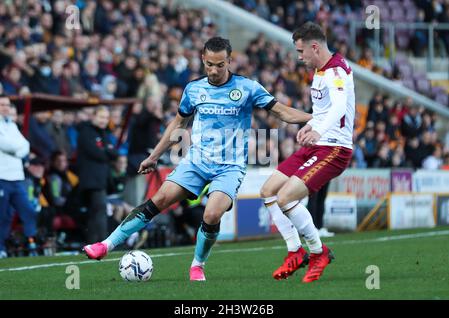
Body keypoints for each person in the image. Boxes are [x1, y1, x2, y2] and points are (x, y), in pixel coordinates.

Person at [83, 37, 312, 281]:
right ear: (203, 59)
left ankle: (197, 264)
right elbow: (179, 124)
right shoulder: (194, 89)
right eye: (209, 64)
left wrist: (317, 119)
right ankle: (106, 245)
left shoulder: (247, 88)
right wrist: (154, 156)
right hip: (196, 162)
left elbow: (283, 112)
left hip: (230, 167)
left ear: (229, 61)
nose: (214, 70)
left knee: (212, 214)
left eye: (220, 65)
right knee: (159, 199)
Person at [260, 22, 354, 283]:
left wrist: (319, 130)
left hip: (335, 148)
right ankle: (295, 251)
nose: (299, 57)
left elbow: (338, 109)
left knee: (286, 197)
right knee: (268, 191)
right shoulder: (320, 71)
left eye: (301, 52)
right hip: (318, 144)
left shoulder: (336, 70)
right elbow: (324, 111)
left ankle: (318, 252)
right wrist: (310, 125)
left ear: (315, 47)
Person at [0, 95, 38, 258]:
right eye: (2, 105)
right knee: (3, 215)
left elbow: (25, 146)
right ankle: (1, 248)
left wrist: (16, 149)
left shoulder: (11, 125)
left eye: (7, 105)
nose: (5, 107)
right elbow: (5, 144)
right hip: (2, 177)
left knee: (28, 210)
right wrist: (17, 149)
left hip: (16, 177)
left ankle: (31, 242)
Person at [77, 106, 118, 244]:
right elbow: (96, 153)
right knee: (99, 210)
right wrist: (107, 151)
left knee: (97, 211)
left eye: (106, 118)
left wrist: (106, 151)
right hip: (91, 180)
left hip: (100, 180)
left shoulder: (103, 133)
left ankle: (93, 243)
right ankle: (101, 243)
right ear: (93, 116)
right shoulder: (86, 132)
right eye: (101, 117)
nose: (104, 120)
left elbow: (114, 153)